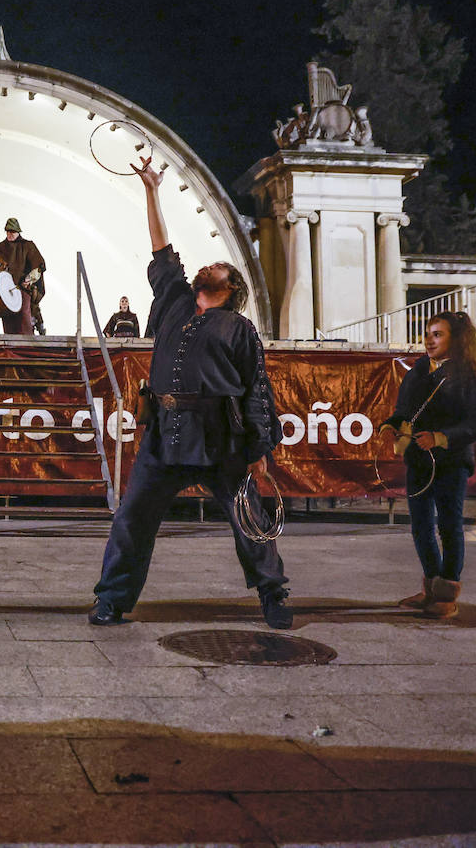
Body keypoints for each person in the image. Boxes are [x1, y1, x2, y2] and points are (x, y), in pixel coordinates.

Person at [90, 158, 290, 630]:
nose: (206, 265)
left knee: (249, 519)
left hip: (221, 438)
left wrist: (260, 448)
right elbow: (162, 249)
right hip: (165, 436)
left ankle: (273, 593)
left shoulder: (239, 328)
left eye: (217, 266)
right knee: (132, 519)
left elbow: (257, 389)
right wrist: (152, 190)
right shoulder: (176, 300)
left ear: (231, 286)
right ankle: (111, 600)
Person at [379, 311, 476, 619]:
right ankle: (430, 587)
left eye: (438, 334)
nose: (430, 339)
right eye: (428, 333)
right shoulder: (417, 370)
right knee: (420, 526)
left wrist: (441, 437)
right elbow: (403, 411)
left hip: (452, 462)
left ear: (455, 339)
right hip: (418, 460)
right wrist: (390, 427)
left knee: (449, 525)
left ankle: (447, 592)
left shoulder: (470, 374)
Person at [0, 217, 45, 335]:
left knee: (24, 316)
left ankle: (27, 345)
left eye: (13, 232)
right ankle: (10, 347)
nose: (10, 234)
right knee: (8, 319)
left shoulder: (28, 246)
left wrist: (28, 280)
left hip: (23, 288)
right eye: (8, 231)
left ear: (18, 232)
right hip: (5, 291)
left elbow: (38, 266)